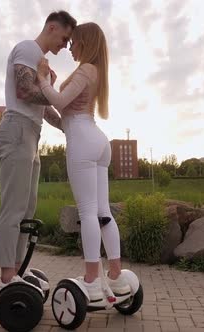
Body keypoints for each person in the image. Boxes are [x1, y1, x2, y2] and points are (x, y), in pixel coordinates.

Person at [36, 22, 130, 301]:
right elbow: (65, 111)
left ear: (85, 42)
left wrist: (42, 80)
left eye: (75, 41)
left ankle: (91, 278)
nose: (71, 47)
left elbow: (62, 102)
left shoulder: (86, 69)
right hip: (98, 141)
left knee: (88, 212)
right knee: (103, 213)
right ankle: (115, 275)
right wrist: (49, 89)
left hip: (82, 141)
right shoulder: (97, 72)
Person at [0, 11, 77, 292]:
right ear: (52, 27)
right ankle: (8, 276)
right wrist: (59, 95)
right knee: (14, 207)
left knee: (27, 208)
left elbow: (44, 108)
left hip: (31, 132)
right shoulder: (27, 48)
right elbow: (25, 92)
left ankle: (16, 270)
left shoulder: (42, 63)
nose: (65, 45)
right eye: (64, 38)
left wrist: (69, 126)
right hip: (17, 128)